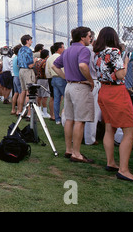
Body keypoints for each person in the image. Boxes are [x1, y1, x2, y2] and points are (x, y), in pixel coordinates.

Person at [93, 27, 133, 183]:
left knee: (109, 128)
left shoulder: (97, 54)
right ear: (114, 37)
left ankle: (111, 163)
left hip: (103, 91)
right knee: (129, 132)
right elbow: (121, 74)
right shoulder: (114, 52)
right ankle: (124, 170)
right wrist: (126, 61)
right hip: (116, 93)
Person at [52, 26, 95, 163]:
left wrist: (65, 77)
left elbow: (54, 65)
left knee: (69, 119)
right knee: (79, 120)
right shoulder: (83, 50)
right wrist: (90, 80)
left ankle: (68, 149)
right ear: (82, 37)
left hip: (69, 87)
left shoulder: (68, 50)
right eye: (89, 36)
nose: (91, 38)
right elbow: (83, 66)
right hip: (80, 86)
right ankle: (76, 153)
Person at [84, 31, 101, 145]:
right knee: (93, 112)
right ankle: (90, 139)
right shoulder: (93, 51)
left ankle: (76, 137)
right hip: (93, 80)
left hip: (81, 81)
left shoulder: (77, 50)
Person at [47, 42, 67, 124]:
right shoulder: (60, 57)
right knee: (66, 98)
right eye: (63, 47)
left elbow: (48, 70)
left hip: (53, 79)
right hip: (61, 78)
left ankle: (57, 119)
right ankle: (65, 117)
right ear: (59, 49)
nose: (64, 49)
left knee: (56, 99)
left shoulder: (49, 58)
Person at [17, 35, 36, 116]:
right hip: (27, 71)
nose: (31, 42)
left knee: (23, 91)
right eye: (30, 40)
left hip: (21, 71)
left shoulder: (20, 50)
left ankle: (20, 111)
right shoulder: (29, 50)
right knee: (29, 92)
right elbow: (30, 65)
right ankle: (29, 113)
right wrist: (35, 61)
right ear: (27, 41)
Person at [34, 49, 50, 118]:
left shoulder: (37, 62)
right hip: (44, 80)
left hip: (38, 80)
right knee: (45, 96)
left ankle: (39, 110)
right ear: (47, 55)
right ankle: (45, 112)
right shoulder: (45, 62)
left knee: (39, 96)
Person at [11, 44, 22, 115]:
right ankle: (19, 110)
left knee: (16, 93)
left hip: (15, 76)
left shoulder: (14, 58)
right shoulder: (19, 58)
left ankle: (13, 109)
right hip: (18, 76)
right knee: (21, 94)